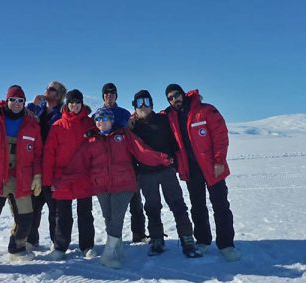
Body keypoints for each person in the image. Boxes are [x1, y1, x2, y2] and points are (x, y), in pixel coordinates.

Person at [62, 108, 172, 268]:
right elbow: (78, 164)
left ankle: (108, 254)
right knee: (109, 217)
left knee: (117, 217)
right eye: (98, 119)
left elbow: (142, 151)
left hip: (123, 184)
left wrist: (161, 158)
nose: (101, 122)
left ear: (112, 120)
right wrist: (61, 181)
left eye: (105, 118)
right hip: (101, 186)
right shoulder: (91, 141)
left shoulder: (124, 136)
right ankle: (118, 247)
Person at [163, 84, 240, 262]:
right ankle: (203, 241)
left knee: (220, 205)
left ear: (183, 94)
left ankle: (226, 245)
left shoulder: (205, 110)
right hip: (191, 169)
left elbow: (220, 135)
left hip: (212, 167)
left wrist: (220, 160)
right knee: (197, 206)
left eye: (177, 95)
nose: (175, 99)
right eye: (170, 98)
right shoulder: (171, 116)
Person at [0, 85, 42, 270]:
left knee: (26, 216)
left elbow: (37, 153)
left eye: (21, 100)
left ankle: (18, 249)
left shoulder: (32, 124)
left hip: (21, 177)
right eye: (13, 100)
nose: (17, 104)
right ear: (7, 101)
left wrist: (37, 175)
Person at [129, 90, 202, 258]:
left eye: (147, 101)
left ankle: (187, 239)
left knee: (178, 204)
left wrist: (175, 162)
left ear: (152, 104)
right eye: (140, 102)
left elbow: (175, 139)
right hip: (146, 173)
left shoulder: (163, 120)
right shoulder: (133, 126)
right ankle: (156, 239)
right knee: (152, 207)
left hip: (166, 170)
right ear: (135, 105)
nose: (144, 106)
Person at [43, 89, 96, 260]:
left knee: (85, 213)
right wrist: (48, 180)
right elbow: (49, 154)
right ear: (67, 104)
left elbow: (97, 149)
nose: (74, 105)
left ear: (82, 103)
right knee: (63, 215)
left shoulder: (90, 124)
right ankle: (60, 246)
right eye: (71, 102)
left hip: (84, 176)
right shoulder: (57, 126)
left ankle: (87, 246)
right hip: (62, 177)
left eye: (77, 102)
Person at [99, 83, 148, 243]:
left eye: (112, 93)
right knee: (109, 206)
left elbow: (133, 135)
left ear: (116, 95)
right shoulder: (98, 114)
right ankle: (113, 238)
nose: (109, 95)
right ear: (103, 96)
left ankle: (138, 233)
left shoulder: (124, 114)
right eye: (106, 93)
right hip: (107, 166)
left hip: (127, 163)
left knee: (135, 199)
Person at [26, 81, 67, 248]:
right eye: (47, 88)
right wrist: (33, 105)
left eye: (51, 89)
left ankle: (55, 242)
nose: (47, 91)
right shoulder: (39, 108)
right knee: (33, 206)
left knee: (54, 209)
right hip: (35, 164)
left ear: (59, 95)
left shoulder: (63, 112)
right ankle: (31, 239)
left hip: (52, 165)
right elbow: (23, 119)